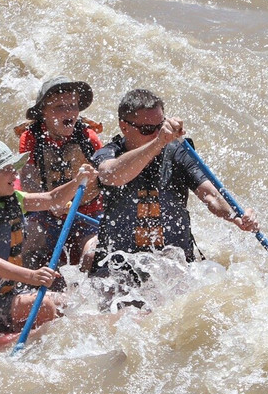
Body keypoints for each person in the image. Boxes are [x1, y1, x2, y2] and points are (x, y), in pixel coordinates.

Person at [92, 89, 259, 291]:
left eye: (160, 126)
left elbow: (210, 195)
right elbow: (111, 175)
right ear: (124, 126)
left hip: (174, 267)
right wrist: (158, 142)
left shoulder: (179, 151)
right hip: (120, 270)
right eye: (147, 129)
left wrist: (236, 217)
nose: (157, 134)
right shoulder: (109, 154)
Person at [0, 140, 96, 334]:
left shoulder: (10, 200)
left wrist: (77, 181)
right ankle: (23, 342)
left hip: (3, 297)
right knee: (44, 306)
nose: (15, 174)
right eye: (7, 169)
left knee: (66, 302)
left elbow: (52, 199)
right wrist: (32, 276)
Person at [16, 76, 103, 270]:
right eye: (60, 107)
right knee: (26, 242)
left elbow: (106, 178)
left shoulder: (88, 137)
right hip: (46, 213)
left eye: (73, 106)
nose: (69, 112)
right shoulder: (31, 138)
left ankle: (83, 286)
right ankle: (25, 281)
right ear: (43, 112)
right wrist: (50, 204)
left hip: (87, 212)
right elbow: (28, 184)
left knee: (92, 253)